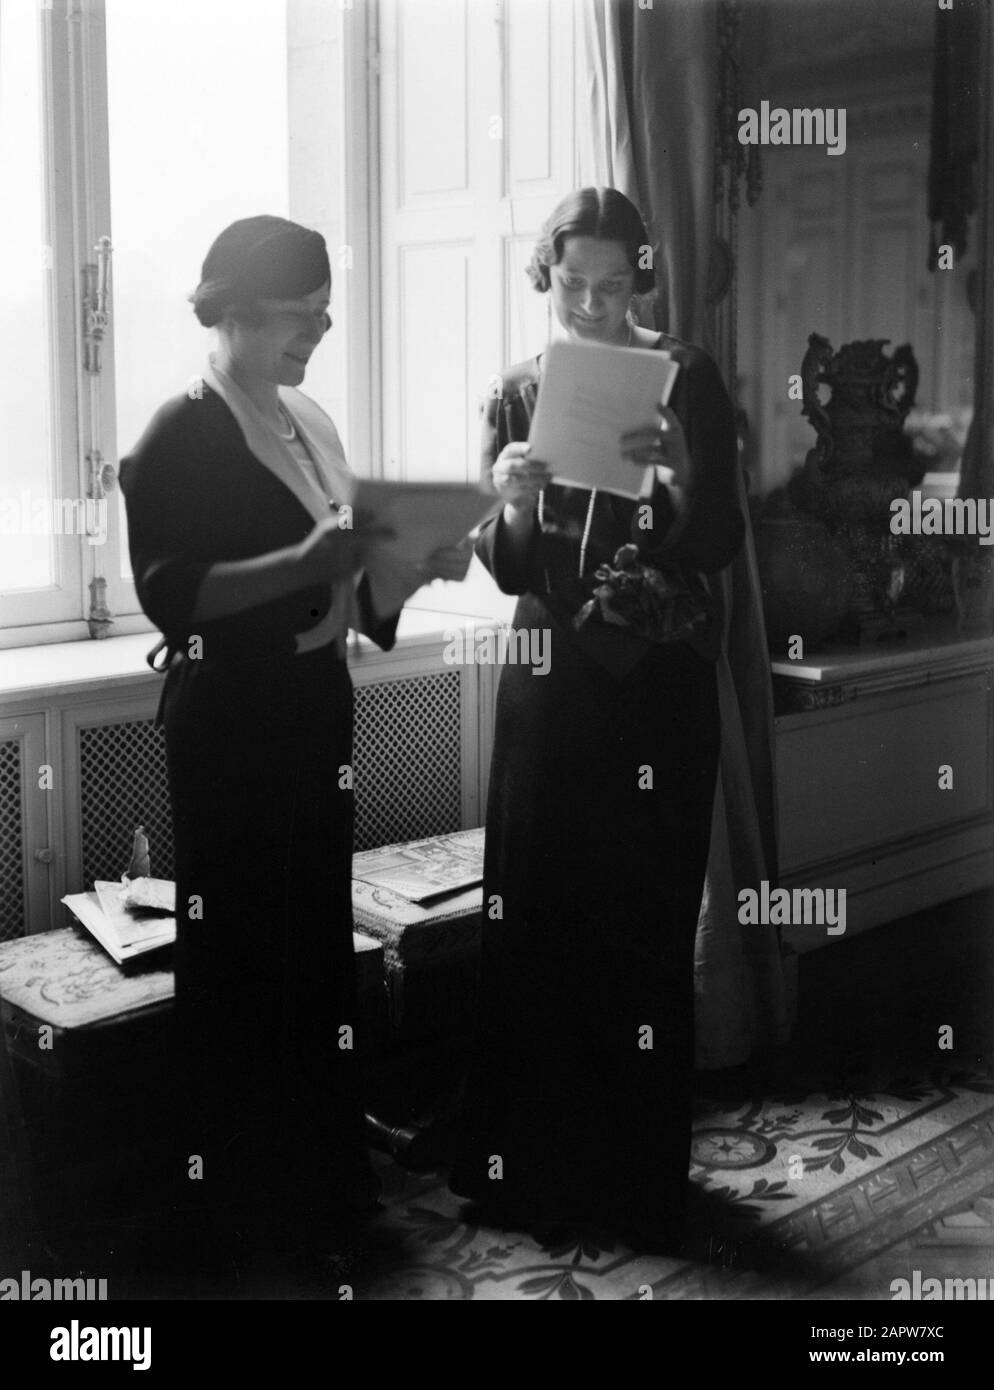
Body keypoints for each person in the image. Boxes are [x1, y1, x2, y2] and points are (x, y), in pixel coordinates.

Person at [119, 215, 461, 1263]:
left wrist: (406, 564)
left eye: (323, 312)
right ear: (233, 307)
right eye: (296, 315)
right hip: (230, 727)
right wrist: (310, 555)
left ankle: (324, 1169)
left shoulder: (307, 417)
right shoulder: (176, 433)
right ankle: (245, 1196)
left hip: (314, 709)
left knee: (313, 945)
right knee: (241, 958)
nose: (315, 331)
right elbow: (171, 596)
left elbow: (344, 584)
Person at [444, 187, 745, 1247]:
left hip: (656, 692)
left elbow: (714, 542)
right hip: (552, 687)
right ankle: (527, 1165)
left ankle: (633, 1171)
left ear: (641, 280)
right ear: (547, 273)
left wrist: (675, 466)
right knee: (537, 913)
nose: (590, 305)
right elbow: (509, 567)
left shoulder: (690, 378)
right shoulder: (517, 389)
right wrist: (511, 497)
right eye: (571, 283)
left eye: (612, 288)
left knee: (642, 919)